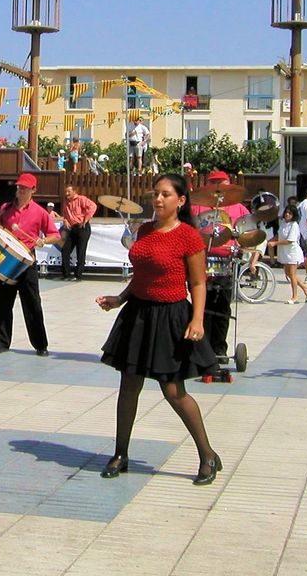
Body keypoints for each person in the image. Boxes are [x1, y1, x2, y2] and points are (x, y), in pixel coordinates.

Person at [96, 173, 222, 484]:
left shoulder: (188, 236)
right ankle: (120, 453)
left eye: (166, 194)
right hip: (138, 314)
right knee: (129, 387)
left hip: (171, 317)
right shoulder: (145, 231)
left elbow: (197, 283)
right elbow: (141, 277)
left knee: (174, 392)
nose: (158, 199)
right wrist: (119, 299)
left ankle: (207, 455)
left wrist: (197, 320)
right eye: (156, 193)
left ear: (180, 201)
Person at [0, 172, 61, 356]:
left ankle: (41, 345)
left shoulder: (40, 212)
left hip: (27, 261)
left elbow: (55, 235)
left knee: (33, 304)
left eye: (24, 188)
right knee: (3, 303)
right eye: (19, 187)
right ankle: (3, 342)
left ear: (33, 190)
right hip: (7, 260)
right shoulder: (6, 208)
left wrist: (43, 241)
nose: (20, 190)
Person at [188, 170, 250, 374]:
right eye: (214, 184)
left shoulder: (239, 207)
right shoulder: (197, 205)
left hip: (226, 259)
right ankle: (202, 349)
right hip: (201, 259)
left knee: (222, 305)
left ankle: (220, 349)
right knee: (201, 306)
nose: (218, 189)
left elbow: (248, 232)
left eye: (221, 184)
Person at [271, 206, 307, 303]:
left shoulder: (294, 225)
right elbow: (278, 234)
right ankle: (306, 288)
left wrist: (275, 243)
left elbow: (290, 240)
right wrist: (271, 240)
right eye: (286, 213)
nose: (287, 215)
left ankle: (295, 296)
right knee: (288, 274)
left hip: (293, 253)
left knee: (292, 274)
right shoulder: (283, 224)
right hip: (285, 253)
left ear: (293, 215)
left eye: (290, 213)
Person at [59, 184, 97, 281]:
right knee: (65, 249)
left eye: (69, 192)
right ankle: (66, 274)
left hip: (82, 227)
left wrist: (85, 219)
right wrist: (65, 221)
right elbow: (65, 215)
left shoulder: (81, 199)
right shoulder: (66, 202)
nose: (67, 194)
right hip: (71, 228)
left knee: (80, 251)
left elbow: (93, 206)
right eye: (66, 192)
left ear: (74, 191)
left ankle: (78, 275)